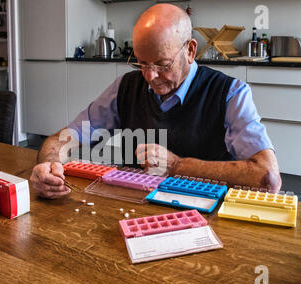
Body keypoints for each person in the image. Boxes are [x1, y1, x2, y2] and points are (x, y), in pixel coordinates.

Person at [30, 3, 281, 199]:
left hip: (207, 219)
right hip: (133, 208)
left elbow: (267, 177)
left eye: (162, 65)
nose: (150, 76)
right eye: (141, 63)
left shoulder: (229, 93)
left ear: (190, 51)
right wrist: (49, 165)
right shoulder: (125, 87)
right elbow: (64, 137)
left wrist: (177, 165)